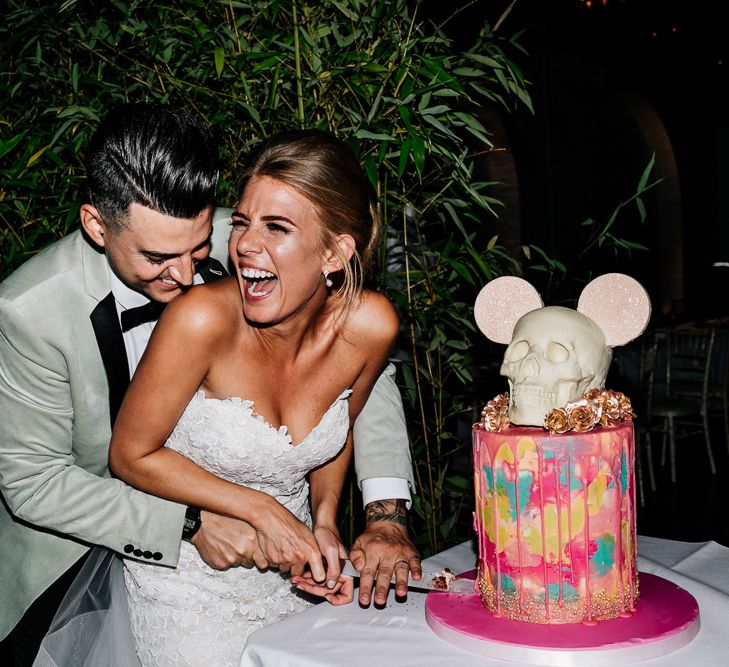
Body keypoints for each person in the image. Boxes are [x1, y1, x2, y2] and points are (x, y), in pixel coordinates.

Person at [0, 104, 418, 667]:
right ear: (98, 226)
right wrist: (187, 525)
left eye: (198, 250)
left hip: (271, 560)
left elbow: (348, 364)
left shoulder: (245, 235)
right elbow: (34, 484)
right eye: (157, 258)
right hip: (75, 547)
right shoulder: (28, 312)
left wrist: (382, 516)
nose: (188, 276)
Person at [106, 128, 401, 665]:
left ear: (336, 254)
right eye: (241, 222)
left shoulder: (372, 326)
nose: (244, 244)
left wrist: (326, 522)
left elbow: (335, 437)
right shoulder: (198, 319)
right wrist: (262, 509)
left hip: (288, 575)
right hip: (188, 587)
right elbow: (130, 454)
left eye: (277, 227)